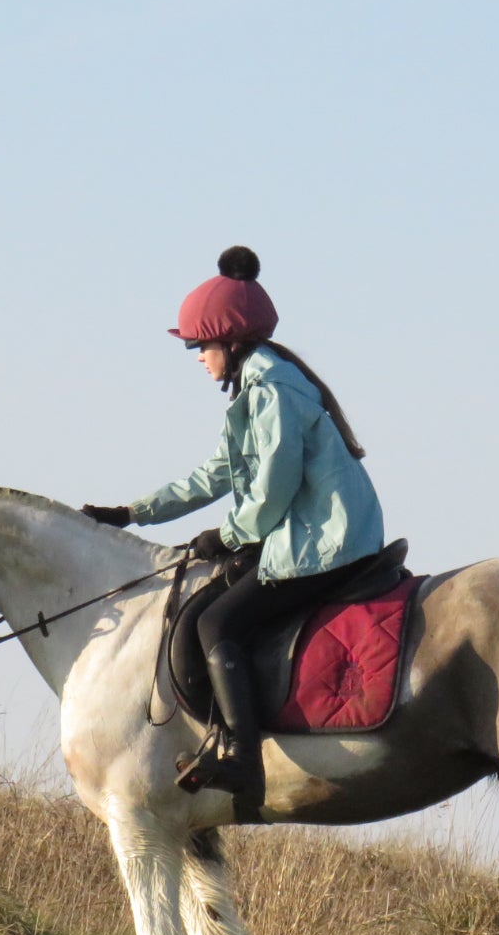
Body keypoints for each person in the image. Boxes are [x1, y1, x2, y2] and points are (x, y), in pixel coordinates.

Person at [83, 246, 386, 807]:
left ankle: (243, 762)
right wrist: (132, 512)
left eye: (200, 347)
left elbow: (273, 485)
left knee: (216, 623)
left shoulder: (273, 391)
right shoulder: (256, 389)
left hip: (324, 542)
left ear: (231, 343)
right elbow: (216, 473)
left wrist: (228, 536)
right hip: (298, 534)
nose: (198, 358)